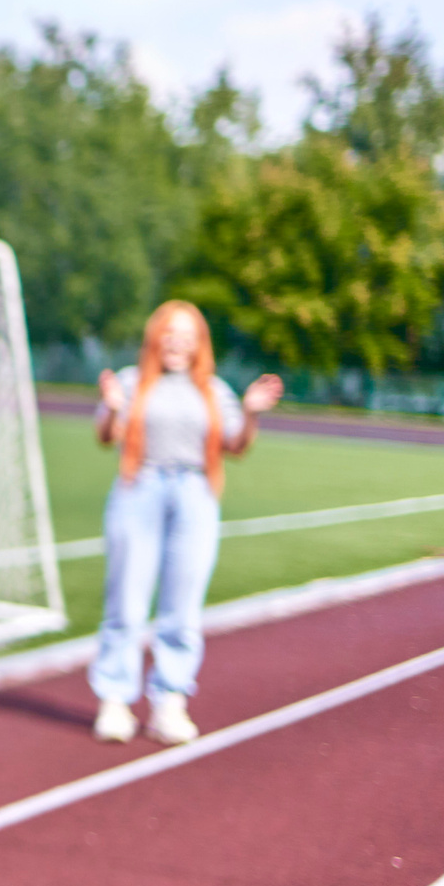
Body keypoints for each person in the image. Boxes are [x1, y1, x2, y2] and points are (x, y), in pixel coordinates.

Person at [89, 300, 282, 745]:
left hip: (194, 493)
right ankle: (115, 700)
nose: (177, 342)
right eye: (169, 333)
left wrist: (251, 412)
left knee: (183, 603)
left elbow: (236, 445)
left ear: (200, 345)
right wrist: (113, 408)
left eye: (187, 335)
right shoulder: (131, 382)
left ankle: (169, 701)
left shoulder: (214, 390)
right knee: (126, 600)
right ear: (155, 338)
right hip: (140, 487)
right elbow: (106, 436)